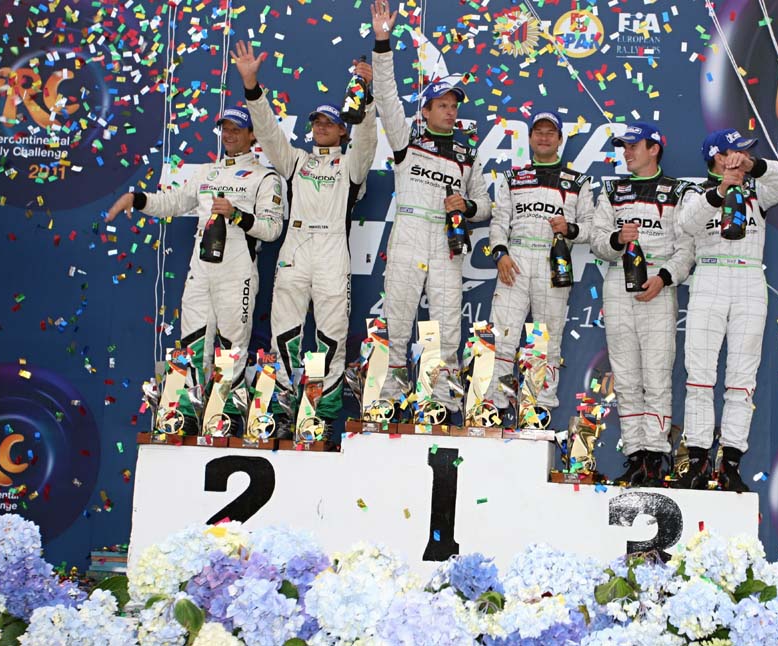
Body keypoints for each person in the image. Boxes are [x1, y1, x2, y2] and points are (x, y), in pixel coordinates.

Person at [106, 106, 284, 432]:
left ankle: (224, 416)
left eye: (237, 129)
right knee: (192, 340)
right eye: (225, 128)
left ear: (252, 135)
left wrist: (236, 215)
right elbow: (172, 202)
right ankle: (185, 413)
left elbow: (272, 230)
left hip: (237, 269)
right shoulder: (205, 173)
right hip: (201, 268)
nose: (229, 135)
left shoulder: (265, 178)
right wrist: (137, 199)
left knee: (232, 346)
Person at [233, 41, 378, 437]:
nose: (321, 127)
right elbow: (267, 132)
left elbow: (367, 141)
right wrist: (251, 86)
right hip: (295, 249)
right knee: (284, 332)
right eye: (317, 121)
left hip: (332, 250)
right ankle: (281, 411)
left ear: (343, 129)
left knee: (331, 335)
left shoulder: (351, 164)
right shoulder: (296, 160)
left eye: (330, 122)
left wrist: (366, 99)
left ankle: (321, 416)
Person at [370, 0, 491, 418]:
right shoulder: (406, 142)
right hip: (407, 237)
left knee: (445, 326)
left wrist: (467, 204)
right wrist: (382, 42)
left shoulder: (467, 154)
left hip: (446, 243)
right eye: (443, 105)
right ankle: (387, 401)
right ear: (425, 110)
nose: (451, 111)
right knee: (397, 321)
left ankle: (438, 404)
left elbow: (484, 205)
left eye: (455, 106)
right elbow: (386, 97)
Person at [675, 128, 778, 492]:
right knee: (699, 374)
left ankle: (730, 463)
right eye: (736, 152)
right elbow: (686, 223)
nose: (742, 157)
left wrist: (754, 166)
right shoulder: (695, 190)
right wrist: (721, 190)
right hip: (709, 276)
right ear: (717, 156)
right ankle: (697, 460)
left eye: (745, 152)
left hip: (749, 278)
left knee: (742, 378)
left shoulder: (758, 187)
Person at [590, 123, 695, 486]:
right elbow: (597, 241)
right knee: (626, 378)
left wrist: (664, 277)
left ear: (654, 149)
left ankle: (656, 456)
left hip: (657, 284)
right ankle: (635, 455)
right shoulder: (612, 191)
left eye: (634, 146)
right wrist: (617, 238)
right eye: (624, 146)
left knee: (656, 376)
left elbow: (687, 249)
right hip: (618, 283)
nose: (627, 152)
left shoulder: (679, 192)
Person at [486, 111, 594, 422]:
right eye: (538, 132)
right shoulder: (512, 177)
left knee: (544, 339)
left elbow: (591, 229)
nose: (544, 137)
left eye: (550, 133)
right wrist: (500, 253)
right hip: (515, 261)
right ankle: (493, 406)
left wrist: (569, 229)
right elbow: (499, 222)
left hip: (553, 262)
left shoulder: (578, 182)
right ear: (530, 138)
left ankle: (536, 409)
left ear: (560, 139)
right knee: (501, 335)